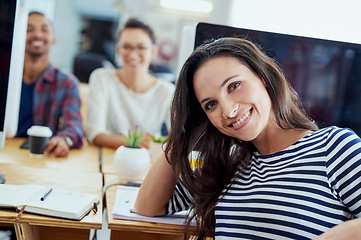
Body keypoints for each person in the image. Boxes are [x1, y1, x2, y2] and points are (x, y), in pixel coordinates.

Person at [134, 37, 361, 239]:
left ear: (263, 76)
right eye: (210, 104)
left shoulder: (334, 148)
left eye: (234, 86)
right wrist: (184, 133)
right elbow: (148, 206)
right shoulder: (227, 165)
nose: (228, 110)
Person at [86, 18, 175, 149]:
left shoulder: (167, 90)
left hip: (145, 161)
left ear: (153, 51)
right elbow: (94, 134)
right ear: (118, 50)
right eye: (126, 47)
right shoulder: (102, 78)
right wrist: (133, 142)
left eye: (141, 47)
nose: (133, 55)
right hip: (104, 159)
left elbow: (179, 138)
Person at [16, 11, 84, 157]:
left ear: (54, 40)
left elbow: (75, 126)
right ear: (18, 36)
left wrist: (64, 140)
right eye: (29, 29)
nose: (37, 34)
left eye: (44, 29)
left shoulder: (67, 83)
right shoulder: (5, 77)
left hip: (41, 156)